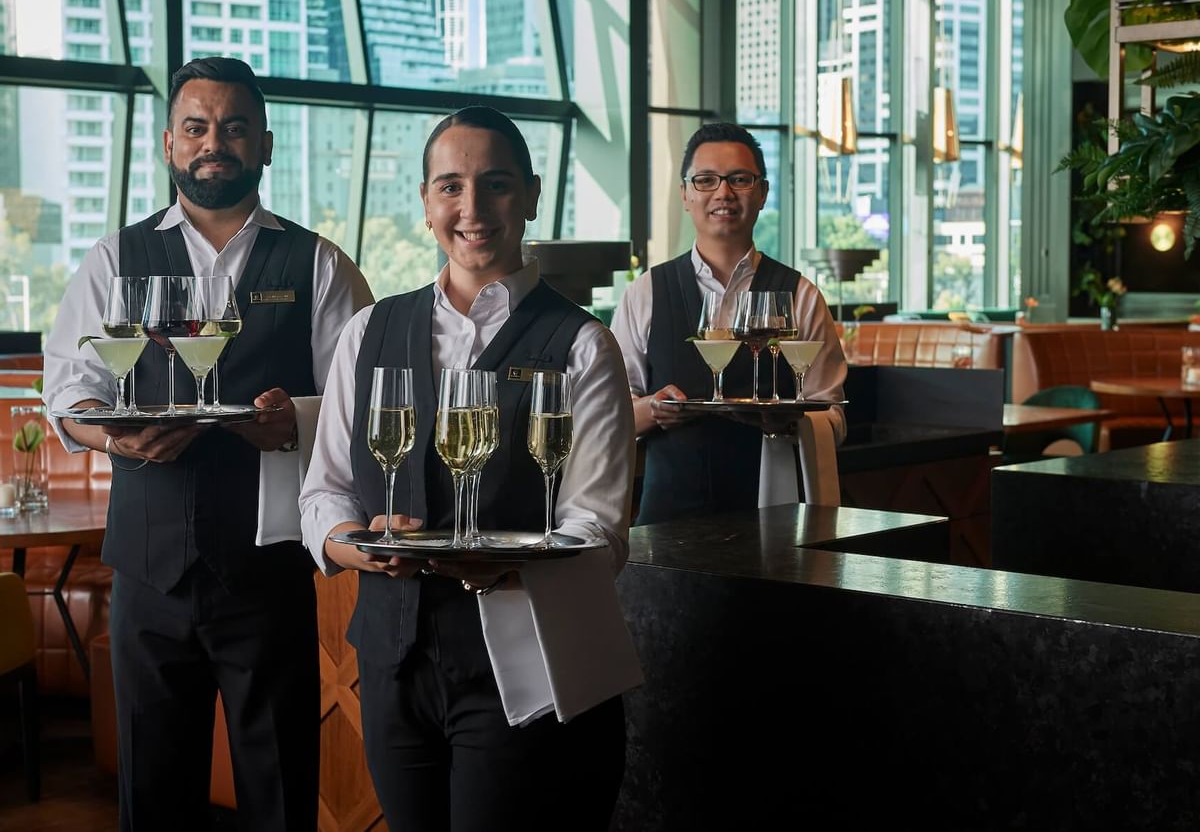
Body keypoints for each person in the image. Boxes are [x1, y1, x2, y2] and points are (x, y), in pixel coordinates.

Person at [42, 56, 374, 831]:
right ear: (168, 144)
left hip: (266, 569)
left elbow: (361, 404)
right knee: (153, 792)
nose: (212, 142)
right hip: (148, 571)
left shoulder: (317, 262)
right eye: (196, 127)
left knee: (281, 787)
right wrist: (112, 438)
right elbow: (69, 387)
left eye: (232, 127)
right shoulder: (114, 259)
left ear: (264, 144)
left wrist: (290, 418)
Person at [299, 106, 641, 831]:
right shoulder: (369, 332)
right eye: (450, 186)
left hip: (517, 664)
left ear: (532, 197)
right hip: (393, 662)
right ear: (426, 203)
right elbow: (323, 490)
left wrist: (509, 562)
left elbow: (601, 527)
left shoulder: (583, 345)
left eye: (496, 185)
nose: (473, 208)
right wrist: (352, 542)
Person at [610, 121, 847, 524]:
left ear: (762, 193)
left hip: (774, 514)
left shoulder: (801, 294)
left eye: (739, 179)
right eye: (705, 180)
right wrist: (655, 408)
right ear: (685, 194)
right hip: (667, 517)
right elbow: (610, 413)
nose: (723, 192)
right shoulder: (646, 291)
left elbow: (835, 416)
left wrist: (792, 423)